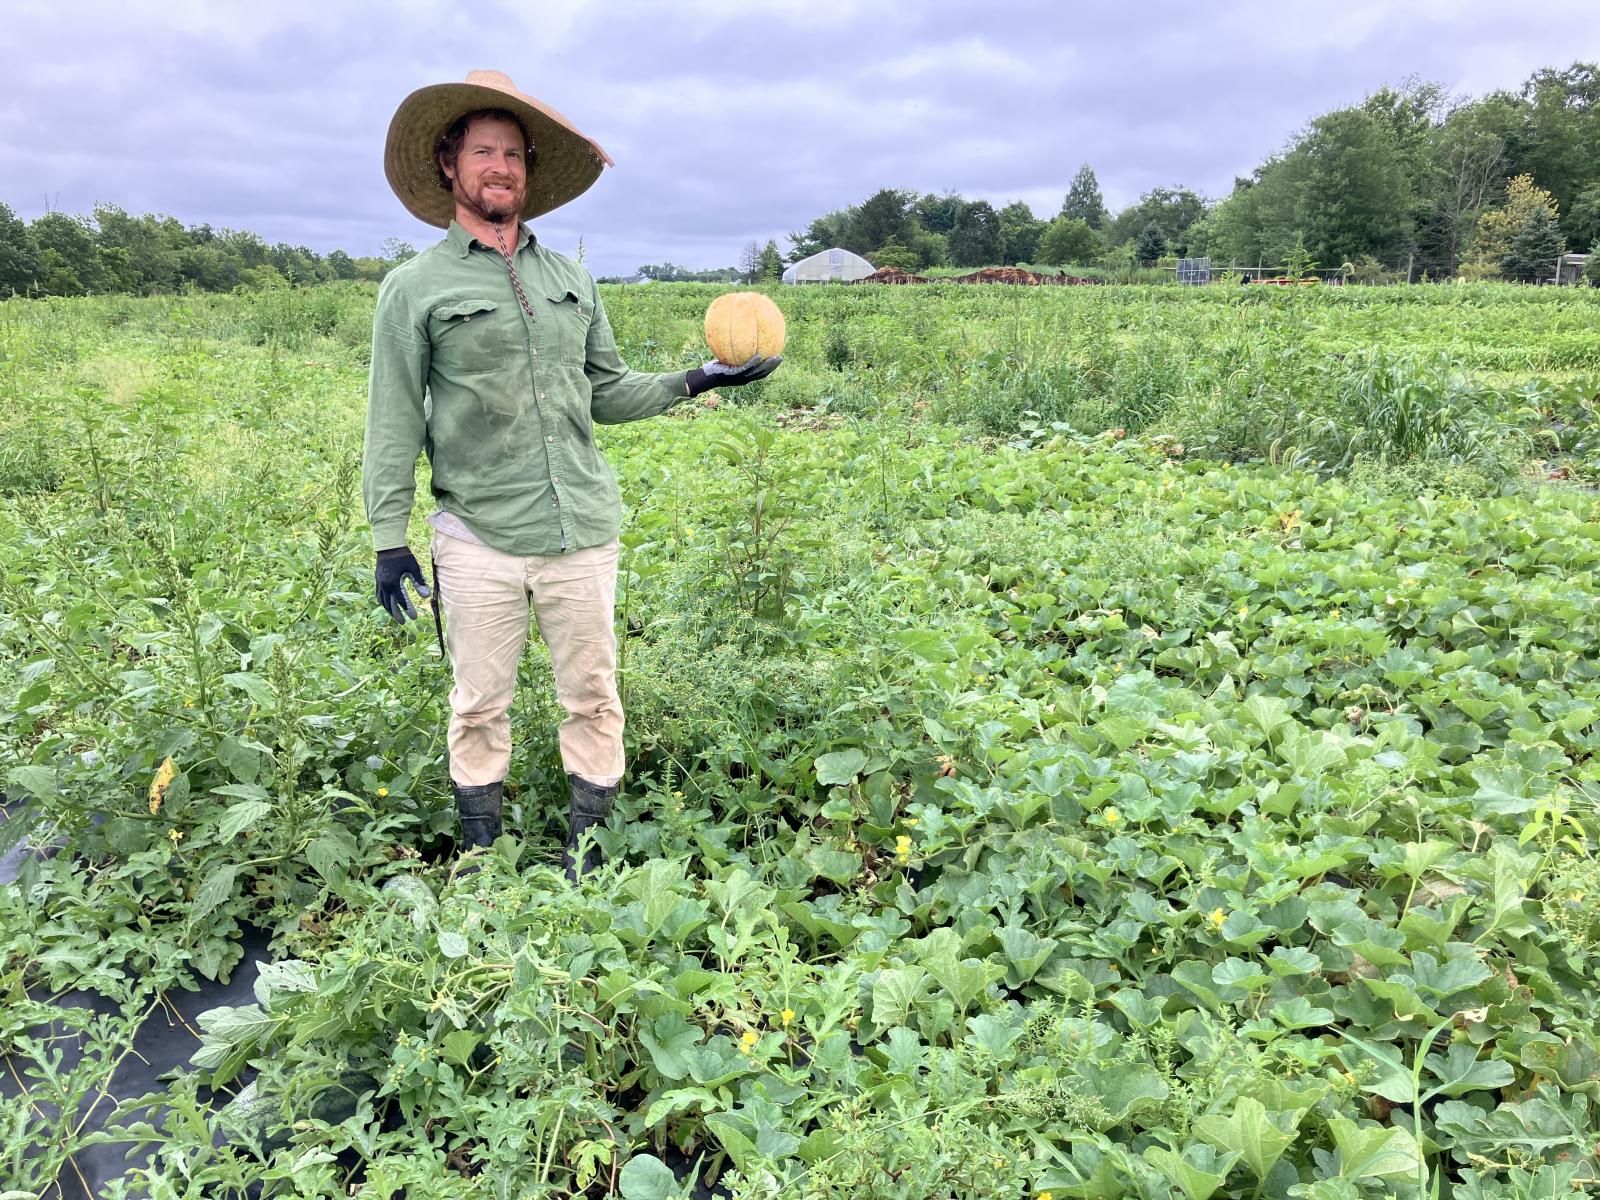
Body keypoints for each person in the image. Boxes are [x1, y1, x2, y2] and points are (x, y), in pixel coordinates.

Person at [363, 71, 780, 881]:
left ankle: (587, 852)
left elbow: (607, 391)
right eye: (483, 152)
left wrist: (700, 379)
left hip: (581, 528)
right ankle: (482, 859)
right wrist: (389, 536)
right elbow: (393, 420)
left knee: (592, 695)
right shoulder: (414, 288)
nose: (501, 167)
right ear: (449, 164)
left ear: (528, 171)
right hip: (477, 533)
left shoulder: (569, 279)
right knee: (478, 705)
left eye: (513, 154)